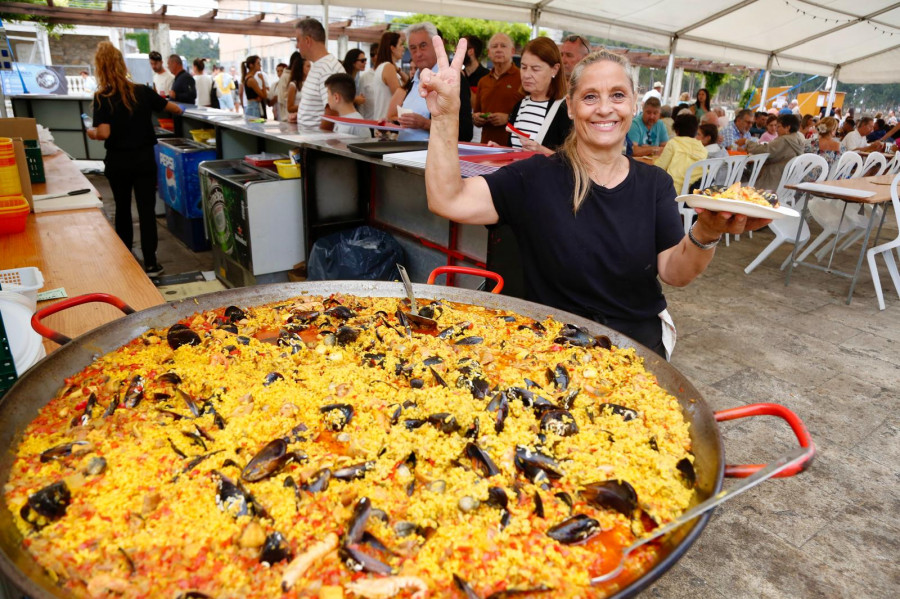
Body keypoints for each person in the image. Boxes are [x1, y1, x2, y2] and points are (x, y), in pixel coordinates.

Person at [421, 37, 767, 358]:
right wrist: (445, 116)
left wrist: (706, 233)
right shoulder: (534, 177)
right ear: (570, 107)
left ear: (632, 104)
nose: (605, 108)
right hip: (553, 350)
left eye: (617, 95)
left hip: (635, 350)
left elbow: (674, 273)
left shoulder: (655, 184)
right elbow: (448, 200)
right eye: (590, 97)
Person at [86, 42, 182, 278]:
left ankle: (127, 261)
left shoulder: (102, 97)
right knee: (146, 211)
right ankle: (151, 264)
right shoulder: (142, 91)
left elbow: (104, 133)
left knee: (122, 209)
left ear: (100, 67)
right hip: (143, 160)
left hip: (118, 162)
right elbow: (175, 109)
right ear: (122, 64)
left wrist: (91, 132)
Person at [389, 22, 472, 142]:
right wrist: (392, 124)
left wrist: (425, 124)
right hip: (403, 155)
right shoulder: (414, 81)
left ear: (437, 46)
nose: (418, 53)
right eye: (413, 48)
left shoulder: (453, 79)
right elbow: (408, 127)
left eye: (423, 46)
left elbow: (465, 132)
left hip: (430, 158)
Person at [505, 37, 571, 153]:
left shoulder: (565, 110)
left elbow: (573, 161)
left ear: (554, 70)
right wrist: (500, 150)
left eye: (535, 69)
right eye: (524, 67)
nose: (526, 75)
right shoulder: (520, 105)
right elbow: (514, 150)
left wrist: (541, 150)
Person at [473, 33, 524, 145]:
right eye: (495, 46)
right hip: (486, 145)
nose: (498, 50)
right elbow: (477, 113)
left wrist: (508, 118)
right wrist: (477, 118)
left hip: (513, 147)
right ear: (488, 53)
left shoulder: (523, 78)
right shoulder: (483, 81)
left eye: (503, 46)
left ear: (512, 51)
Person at [295, 17, 346, 130]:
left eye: (298, 40)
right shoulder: (318, 66)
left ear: (307, 40)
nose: (296, 46)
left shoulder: (328, 68)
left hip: (316, 142)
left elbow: (332, 111)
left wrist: (319, 141)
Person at [745, 114, 804, 190]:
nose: (776, 129)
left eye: (778, 126)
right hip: (788, 180)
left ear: (787, 128)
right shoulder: (798, 138)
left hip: (775, 180)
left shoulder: (784, 140)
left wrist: (747, 142)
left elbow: (765, 150)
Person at [655, 113, 707, 193]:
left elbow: (659, 168)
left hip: (672, 191)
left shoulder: (673, 143)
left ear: (677, 130)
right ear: (696, 130)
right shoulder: (702, 148)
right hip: (693, 195)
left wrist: (654, 160)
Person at [362, 31, 406, 120]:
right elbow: (400, 98)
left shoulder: (385, 67)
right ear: (392, 48)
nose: (403, 48)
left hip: (384, 122)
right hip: (387, 124)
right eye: (401, 45)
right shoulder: (388, 67)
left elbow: (408, 81)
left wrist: (398, 70)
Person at [285, 54, 309, 123]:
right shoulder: (293, 85)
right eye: (308, 66)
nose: (310, 69)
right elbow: (289, 107)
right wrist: (305, 106)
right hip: (296, 119)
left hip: (306, 119)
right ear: (301, 68)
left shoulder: (309, 83)